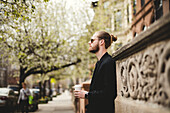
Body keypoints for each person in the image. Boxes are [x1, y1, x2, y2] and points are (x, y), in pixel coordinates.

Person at [74, 31, 117, 113]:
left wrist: (87, 95)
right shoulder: (99, 63)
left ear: (101, 42)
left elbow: (109, 93)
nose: (89, 43)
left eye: (92, 40)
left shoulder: (108, 63)